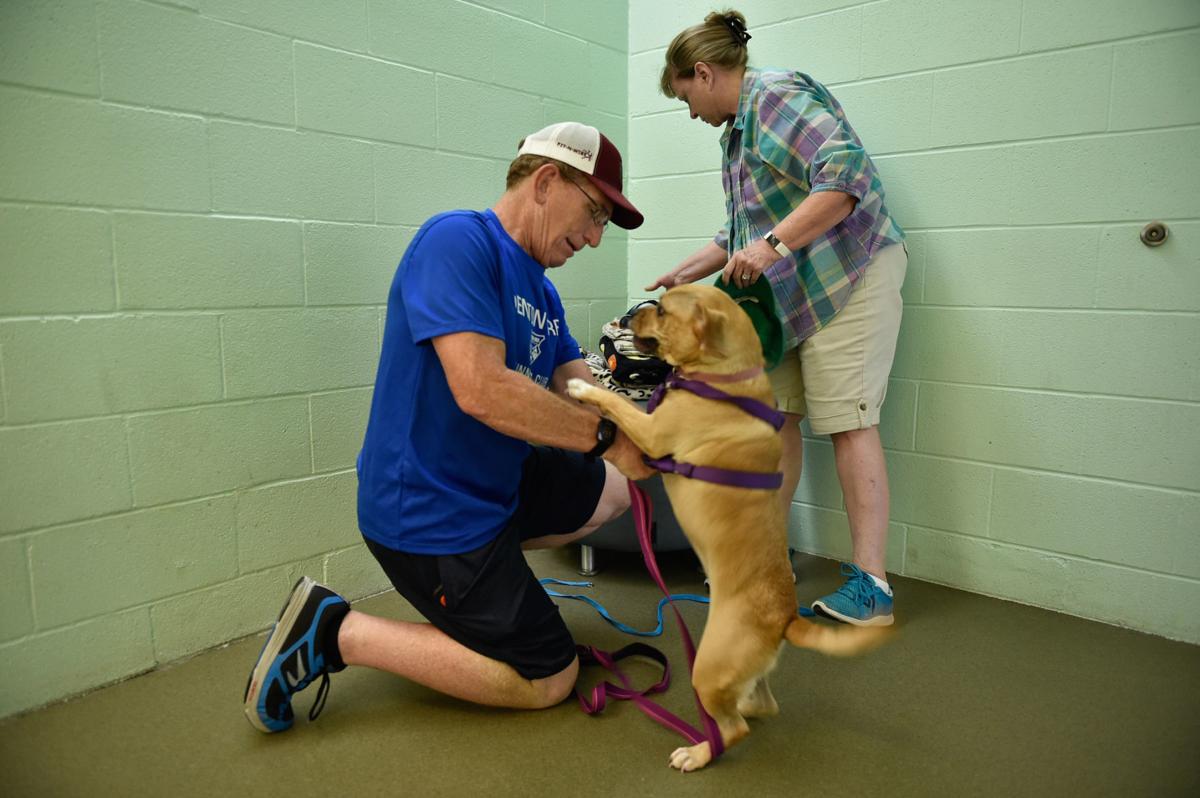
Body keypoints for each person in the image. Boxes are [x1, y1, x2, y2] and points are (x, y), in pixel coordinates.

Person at [243, 122, 653, 733]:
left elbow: (581, 389)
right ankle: (335, 631)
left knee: (616, 485)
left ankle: (488, 587)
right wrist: (605, 438)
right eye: (593, 214)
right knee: (550, 677)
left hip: (492, 485)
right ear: (546, 182)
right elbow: (481, 389)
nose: (594, 239)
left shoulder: (541, 291)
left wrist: (655, 427)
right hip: (427, 512)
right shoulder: (457, 241)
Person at [647, 10, 907, 627]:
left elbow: (844, 181)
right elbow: (740, 232)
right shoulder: (737, 133)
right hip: (791, 298)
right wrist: (683, 275)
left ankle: (873, 587)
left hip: (848, 277)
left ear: (706, 73)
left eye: (687, 97)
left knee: (849, 421)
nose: (691, 113)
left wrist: (771, 248)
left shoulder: (774, 98)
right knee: (775, 420)